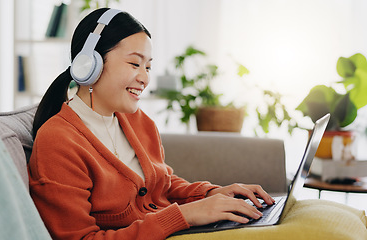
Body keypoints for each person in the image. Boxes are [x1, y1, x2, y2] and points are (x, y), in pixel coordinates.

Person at [28, 8, 275, 240]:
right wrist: (184, 215)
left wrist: (210, 193)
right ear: (89, 64)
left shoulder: (138, 121)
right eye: (135, 64)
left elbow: (163, 183)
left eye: (148, 66)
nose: (145, 78)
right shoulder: (57, 141)